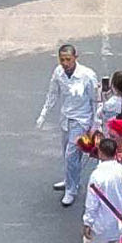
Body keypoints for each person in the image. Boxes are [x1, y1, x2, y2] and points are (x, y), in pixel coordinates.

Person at [38, 43, 105, 194]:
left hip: (81, 121)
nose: (65, 63)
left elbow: (96, 100)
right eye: (62, 60)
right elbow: (53, 93)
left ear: (75, 58)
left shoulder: (87, 76)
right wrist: (43, 114)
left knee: (71, 155)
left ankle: (71, 189)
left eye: (68, 59)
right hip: (66, 119)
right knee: (67, 154)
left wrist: (96, 123)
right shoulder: (58, 73)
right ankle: (70, 180)